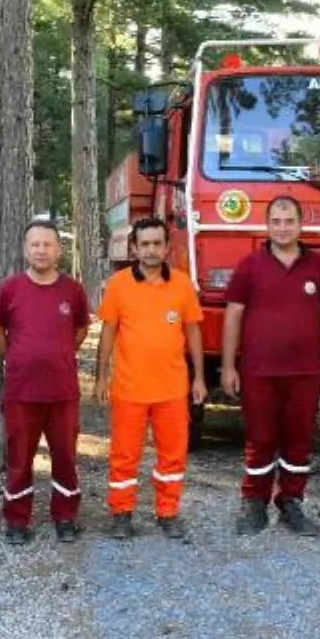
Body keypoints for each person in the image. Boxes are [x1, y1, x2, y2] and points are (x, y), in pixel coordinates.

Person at [221, 196, 320, 536]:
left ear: (300, 225)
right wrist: (229, 366)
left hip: (306, 371)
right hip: (259, 370)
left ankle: (291, 501)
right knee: (260, 439)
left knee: (299, 440)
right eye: (276, 221)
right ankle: (254, 503)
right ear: (267, 225)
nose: (283, 228)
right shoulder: (249, 266)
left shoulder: (318, 266)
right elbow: (233, 315)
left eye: (289, 221)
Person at [96, 217, 206, 539]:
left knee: (172, 455)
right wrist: (101, 377)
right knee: (123, 455)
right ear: (134, 248)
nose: (151, 250)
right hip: (129, 388)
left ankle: (168, 512)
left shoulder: (182, 284)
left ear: (167, 247)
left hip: (172, 389)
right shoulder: (118, 285)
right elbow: (108, 332)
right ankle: (121, 513)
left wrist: (199, 377)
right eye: (144, 244)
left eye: (157, 243)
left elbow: (193, 332)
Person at [0, 221, 91, 545]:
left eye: (48, 244)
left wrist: (57, 355)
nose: (41, 250)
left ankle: (65, 518)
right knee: (20, 458)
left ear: (59, 250)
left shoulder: (72, 291)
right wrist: (19, 357)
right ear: (25, 249)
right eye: (35, 244)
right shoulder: (9, 289)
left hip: (62, 392)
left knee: (65, 457)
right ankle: (17, 521)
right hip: (22, 391)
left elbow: (80, 331)